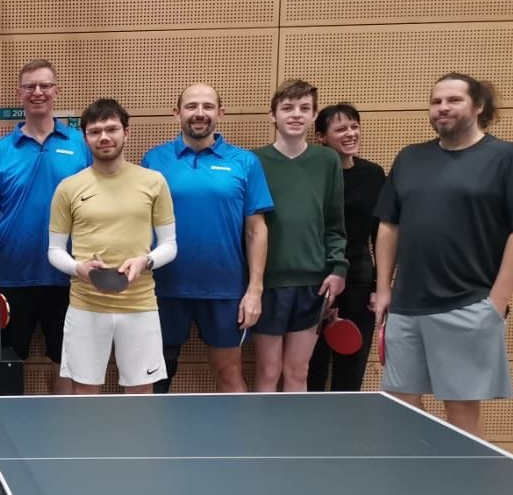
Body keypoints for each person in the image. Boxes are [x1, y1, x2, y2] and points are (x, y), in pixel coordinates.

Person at [375, 73, 513, 437]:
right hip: (407, 306)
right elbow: (389, 226)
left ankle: (466, 486)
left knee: (461, 409)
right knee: (399, 399)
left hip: (466, 303)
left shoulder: (505, 157)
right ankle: (428, 475)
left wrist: (497, 302)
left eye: (453, 100)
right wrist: (384, 290)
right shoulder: (409, 158)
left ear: (478, 106)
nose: (442, 108)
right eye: (436, 101)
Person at [140, 83, 272, 393]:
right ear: (177, 113)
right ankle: (149, 440)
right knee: (156, 376)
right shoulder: (155, 160)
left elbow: (256, 229)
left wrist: (254, 290)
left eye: (208, 106)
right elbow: (140, 224)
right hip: (164, 289)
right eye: (191, 106)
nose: (200, 113)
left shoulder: (245, 162)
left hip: (225, 292)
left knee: (229, 374)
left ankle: (238, 443)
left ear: (220, 113)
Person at [0, 59, 92, 391]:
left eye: (45, 85)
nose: (37, 92)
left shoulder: (81, 145)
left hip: (69, 277)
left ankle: (64, 433)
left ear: (57, 91)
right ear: (19, 94)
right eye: (30, 87)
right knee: (7, 364)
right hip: (11, 279)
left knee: (66, 363)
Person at [46, 99, 176, 394]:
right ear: (85, 138)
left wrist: (146, 260)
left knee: (141, 395)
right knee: (84, 395)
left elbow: (170, 245)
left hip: (140, 305)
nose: (104, 137)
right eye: (95, 131)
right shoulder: (68, 187)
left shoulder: (154, 182)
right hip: (85, 307)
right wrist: (77, 268)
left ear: (125, 133)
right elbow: (54, 250)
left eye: (111, 129)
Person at [252, 79, 347, 392]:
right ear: (273, 115)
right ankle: (260, 441)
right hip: (268, 285)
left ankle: (292, 441)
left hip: (312, 284)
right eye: (287, 108)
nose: (296, 114)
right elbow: (250, 227)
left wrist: (337, 268)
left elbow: (334, 222)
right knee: (268, 372)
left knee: (298, 373)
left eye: (304, 108)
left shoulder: (327, 160)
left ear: (313, 115)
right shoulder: (253, 161)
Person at [308, 103, 387, 392]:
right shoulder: (311, 176)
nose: (351, 133)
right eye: (341, 128)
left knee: (350, 373)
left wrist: (380, 287)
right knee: (312, 369)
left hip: (359, 281)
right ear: (321, 137)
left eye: (354, 126)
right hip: (316, 281)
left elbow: (382, 234)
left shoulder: (373, 175)